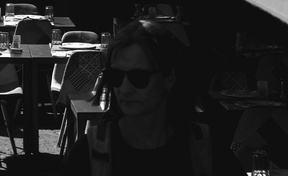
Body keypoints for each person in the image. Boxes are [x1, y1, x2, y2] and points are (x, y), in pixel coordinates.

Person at [62, 18, 245, 176]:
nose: (125, 89)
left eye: (138, 78)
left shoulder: (204, 150)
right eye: (116, 77)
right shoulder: (89, 154)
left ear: (169, 78)